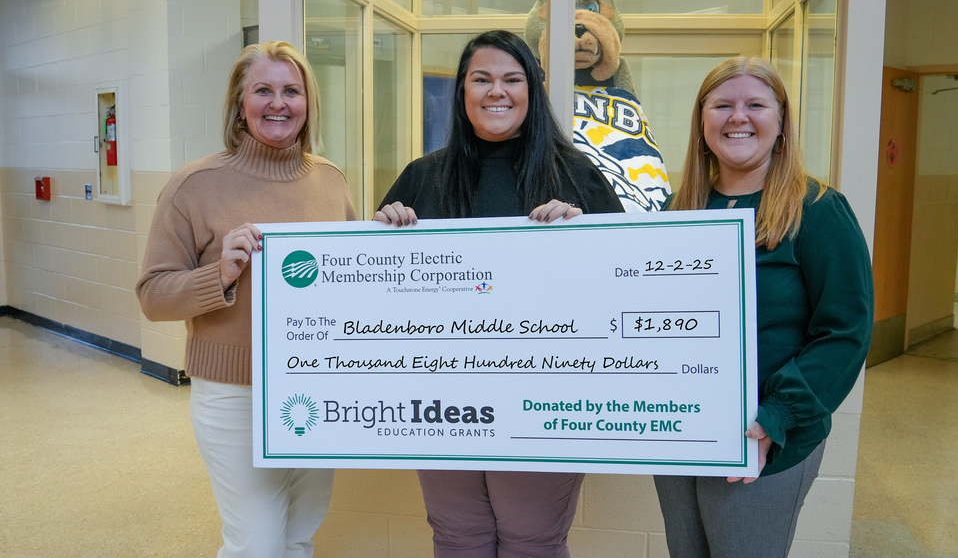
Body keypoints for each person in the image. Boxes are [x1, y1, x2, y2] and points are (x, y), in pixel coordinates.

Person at [374, 30, 624, 558]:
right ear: (462, 91)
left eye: (512, 79)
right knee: (457, 538)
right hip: (442, 401)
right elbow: (377, 300)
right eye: (481, 79)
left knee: (531, 541)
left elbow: (622, 292)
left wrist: (586, 238)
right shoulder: (421, 178)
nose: (497, 91)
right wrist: (380, 236)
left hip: (545, 399)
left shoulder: (575, 175)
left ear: (532, 90)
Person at [136, 41, 357, 558]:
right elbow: (152, 295)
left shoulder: (330, 180)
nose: (278, 103)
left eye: (291, 91)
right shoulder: (194, 185)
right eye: (263, 90)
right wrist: (221, 273)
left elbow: (352, 278)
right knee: (255, 545)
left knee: (299, 536)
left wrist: (390, 236)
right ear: (240, 104)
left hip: (315, 384)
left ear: (308, 104)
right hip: (235, 393)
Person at [654, 56, 873, 558]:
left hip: (765, 436)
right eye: (722, 105)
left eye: (756, 104)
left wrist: (775, 416)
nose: (738, 117)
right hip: (681, 431)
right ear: (701, 119)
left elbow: (845, 331)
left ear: (781, 122)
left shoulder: (818, 210)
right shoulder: (679, 210)